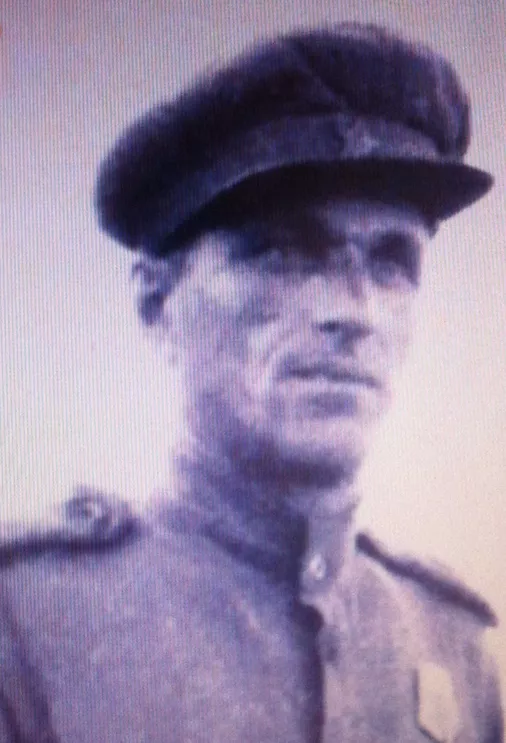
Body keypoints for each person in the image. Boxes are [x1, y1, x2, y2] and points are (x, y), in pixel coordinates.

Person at [0, 23, 502, 743]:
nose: (355, 311)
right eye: (284, 253)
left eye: (392, 261)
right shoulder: (28, 623)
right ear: (156, 305)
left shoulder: (449, 641)